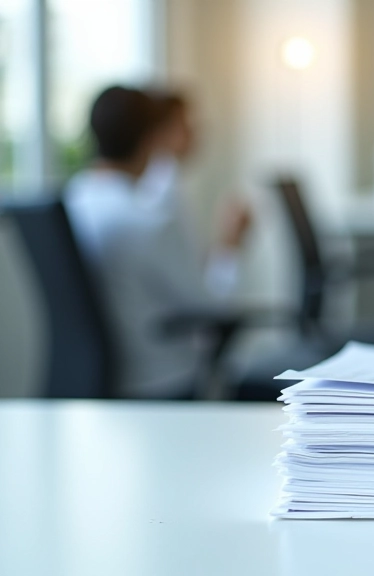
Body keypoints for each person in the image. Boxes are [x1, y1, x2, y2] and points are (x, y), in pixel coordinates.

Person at [65, 86, 251, 399]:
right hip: (160, 382)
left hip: (92, 384)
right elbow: (212, 307)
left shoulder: (73, 203)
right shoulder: (149, 223)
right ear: (153, 138)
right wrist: (230, 245)